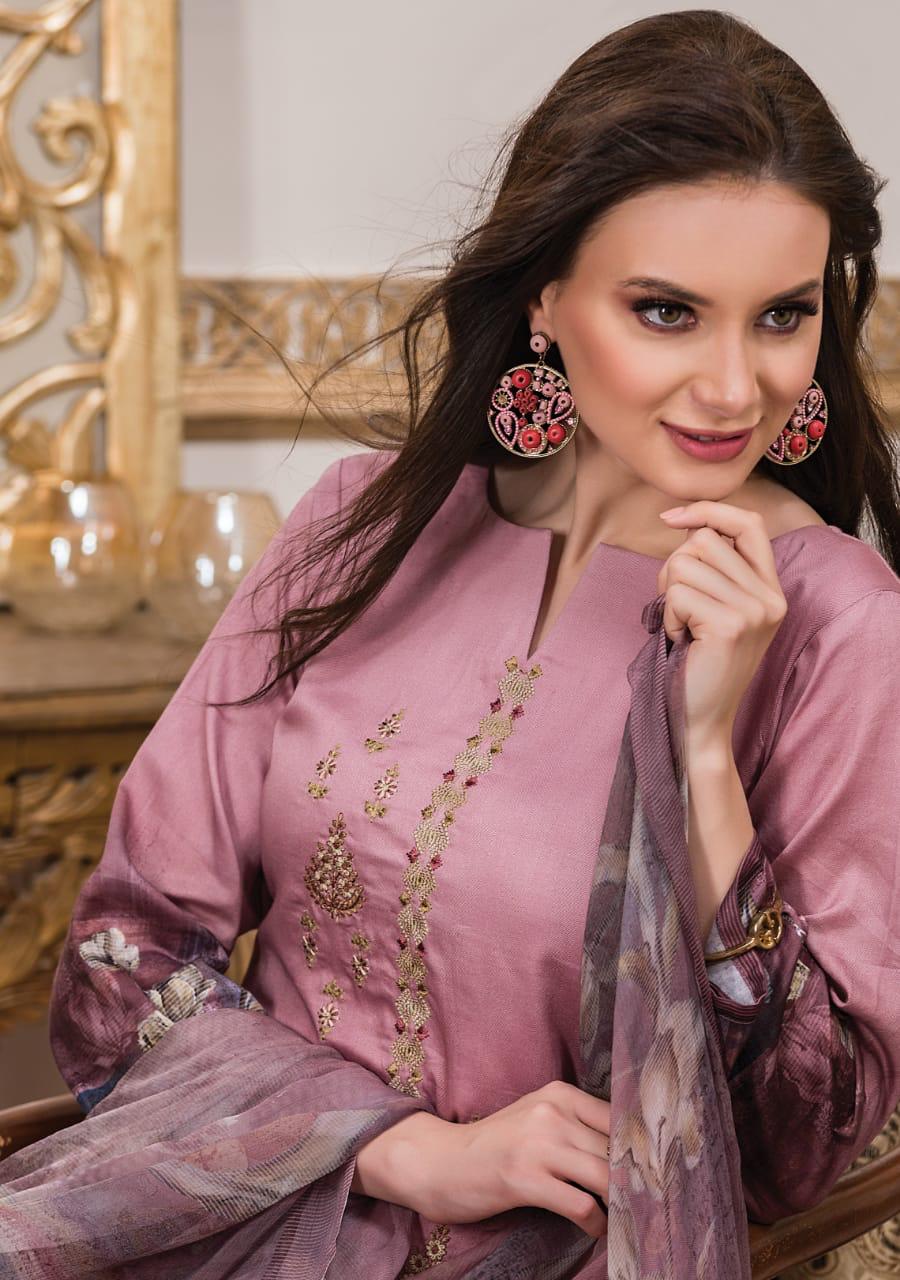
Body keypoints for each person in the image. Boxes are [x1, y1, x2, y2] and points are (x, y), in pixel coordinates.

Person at [2, 8, 899, 1278]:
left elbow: (798, 1142)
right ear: (545, 297)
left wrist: (703, 759)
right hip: (232, 1220)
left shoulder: (836, 619)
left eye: (780, 316)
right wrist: (398, 1145)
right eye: (666, 311)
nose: (731, 386)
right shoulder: (363, 525)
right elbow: (120, 962)